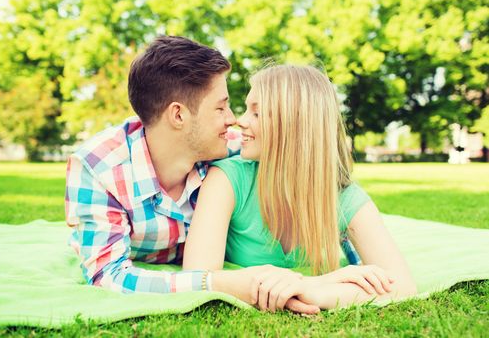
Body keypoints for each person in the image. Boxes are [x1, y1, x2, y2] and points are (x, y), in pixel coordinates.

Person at [65, 36, 319, 314]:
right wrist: (220, 283)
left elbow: (302, 159)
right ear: (178, 116)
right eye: (220, 107)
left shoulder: (232, 148)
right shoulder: (98, 169)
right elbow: (108, 277)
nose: (233, 119)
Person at [183, 65, 417, 311]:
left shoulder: (343, 196)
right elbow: (197, 275)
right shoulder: (227, 179)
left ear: (293, 125)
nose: (240, 121)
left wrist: (311, 289)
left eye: (257, 113)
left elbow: (402, 285)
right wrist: (318, 282)